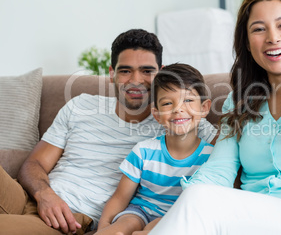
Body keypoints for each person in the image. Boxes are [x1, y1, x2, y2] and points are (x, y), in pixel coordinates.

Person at [147, 0, 281, 235]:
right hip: (248, 221)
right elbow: (219, 168)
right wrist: (180, 210)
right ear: (247, 43)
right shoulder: (238, 102)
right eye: (259, 29)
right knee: (199, 195)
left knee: (201, 200)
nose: (272, 37)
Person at [0, 29, 217, 235]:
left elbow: (232, 154)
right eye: (125, 71)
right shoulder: (81, 105)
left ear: (162, 73)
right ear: (112, 73)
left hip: (68, 219)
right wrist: (44, 195)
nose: (135, 80)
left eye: (147, 71)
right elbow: (33, 164)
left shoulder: (179, 122)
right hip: (27, 196)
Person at [95, 63, 214, 235]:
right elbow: (120, 198)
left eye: (188, 100)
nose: (178, 109)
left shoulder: (210, 157)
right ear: (157, 115)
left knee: (158, 226)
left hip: (178, 218)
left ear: (204, 108)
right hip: (139, 211)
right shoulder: (143, 151)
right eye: (167, 103)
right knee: (125, 224)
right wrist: (104, 226)